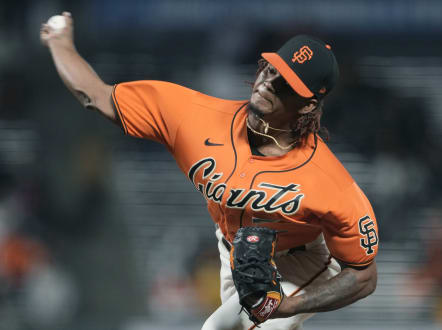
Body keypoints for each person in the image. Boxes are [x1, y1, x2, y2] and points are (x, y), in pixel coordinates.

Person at [41, 12, 379, 330]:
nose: (267, 82)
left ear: (307, 104)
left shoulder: (330, 182)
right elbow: (97, 97)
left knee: (253, 325)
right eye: (271, 69)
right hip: (233, 249)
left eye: (286, 82)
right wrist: (59, 41)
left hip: (300, 259)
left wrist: (289, 305)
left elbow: (363, 276)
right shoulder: (194, 117)